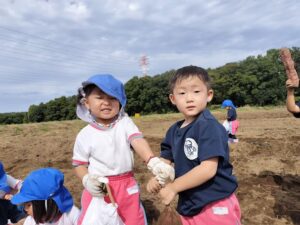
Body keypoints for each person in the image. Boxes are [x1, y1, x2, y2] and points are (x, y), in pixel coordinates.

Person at [72, 74, 174, 225]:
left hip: (126, 185)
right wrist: (86, 180)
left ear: (120, 102)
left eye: (112, 98)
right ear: (86, 103)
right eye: (99, 97)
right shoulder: (85, 135)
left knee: (132, 219)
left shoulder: (125, 123)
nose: (106, 102)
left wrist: (153, 161)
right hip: (99, 188)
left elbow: (137, 140)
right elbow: (79, 164)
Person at [147, 65, 241, 225]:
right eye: (182, 93)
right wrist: (157, 178)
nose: (189, 98)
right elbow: (166, 160)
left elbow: (207, 169)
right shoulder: (173, 131)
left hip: (213, 202)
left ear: (209, 95)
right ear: (173, 99)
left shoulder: (208, 126)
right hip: (189, 203)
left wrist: (173, 188)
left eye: (196, 92)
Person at [11, 168, 80, 225]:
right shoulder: (31, 222)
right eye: (24, 204)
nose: (25, 209)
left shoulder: (71, 214)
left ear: (46, 204)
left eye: (29, 205)